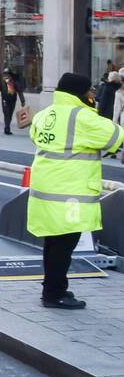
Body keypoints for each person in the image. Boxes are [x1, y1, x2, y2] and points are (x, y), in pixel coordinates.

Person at [28, 73, 123, 309]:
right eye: (89, 92)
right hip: (68, 194)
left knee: (53, 243)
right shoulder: (81, 117)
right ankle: (54, 294)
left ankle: (53, 289)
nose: (92, 95)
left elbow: (34, 136)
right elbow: (115, 135)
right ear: (80, 93)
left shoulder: (44, 114)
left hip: (46, 190)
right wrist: (93, 109)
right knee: (64, 245)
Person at [0, 69, 26, 135]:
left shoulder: (14, 81)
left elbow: (19, 91)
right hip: (5, 100)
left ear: (10, 75)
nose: (5, 75)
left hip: (12, 100)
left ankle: (7, 127)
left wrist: (22, 101)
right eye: (4, 74)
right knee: (6, 114)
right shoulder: (2, 81)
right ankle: (7, 128)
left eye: (6, 74)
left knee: (10, 115)